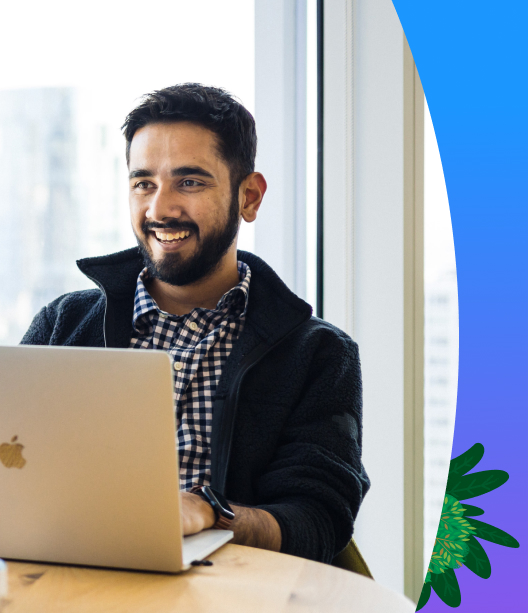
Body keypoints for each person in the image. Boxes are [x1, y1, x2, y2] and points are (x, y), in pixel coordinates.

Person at [21, 83, 368, 564]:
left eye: (190, 182)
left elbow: (318, 520)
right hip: (74, 582)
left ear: (249, 197)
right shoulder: (63, 325)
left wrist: (211, 514)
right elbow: (7, 472)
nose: (160, 209)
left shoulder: (318, 355)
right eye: (144, 183)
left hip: (238, 608)